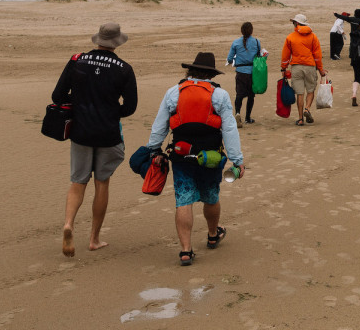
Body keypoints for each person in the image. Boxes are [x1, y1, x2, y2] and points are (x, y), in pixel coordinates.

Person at [145, 52, 244, 266]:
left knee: (184, 199)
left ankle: (185, 251)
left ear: (190, 71)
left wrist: (153, 149)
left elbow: (160, 125)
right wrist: (237, 160)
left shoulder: (173, 92)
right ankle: (212, 234)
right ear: (210, 74)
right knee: (211, 196)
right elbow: (229, 129)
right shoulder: (219, 95)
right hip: (211, 157)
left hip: (181, 155)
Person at [52, 22, 138, 257]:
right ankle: (94, 238)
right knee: (102, 183)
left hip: (81, 131)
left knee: (78, 182)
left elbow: (57, 95)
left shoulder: (77, 60)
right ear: (117, 42)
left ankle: (69, 223)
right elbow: (130, 107)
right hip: (108, 133)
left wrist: (79, 104)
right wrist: (110, 112)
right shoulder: (124, 68)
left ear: (98, 39)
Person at [280, 14, 325, 127]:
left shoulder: (290, 37)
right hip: (310, 66)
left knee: (300, 93)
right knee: (310, 90)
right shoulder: (313, 37)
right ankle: (307, 108)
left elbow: (286, 55)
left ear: (296, 23)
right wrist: (320, 69)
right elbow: (317, 55)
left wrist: (284, 68)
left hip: (296, 67)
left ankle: (300, 119)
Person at [225, 22, 266, 126]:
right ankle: (248, 118)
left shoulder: (235, 42)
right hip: (253, 73)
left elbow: (229, 59)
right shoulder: (257, 42)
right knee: (251, 96)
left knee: (239, 95)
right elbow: (259, 56)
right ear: (251, 31)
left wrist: (232, 61)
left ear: (241, 31)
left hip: (240, 72)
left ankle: (238, 113)